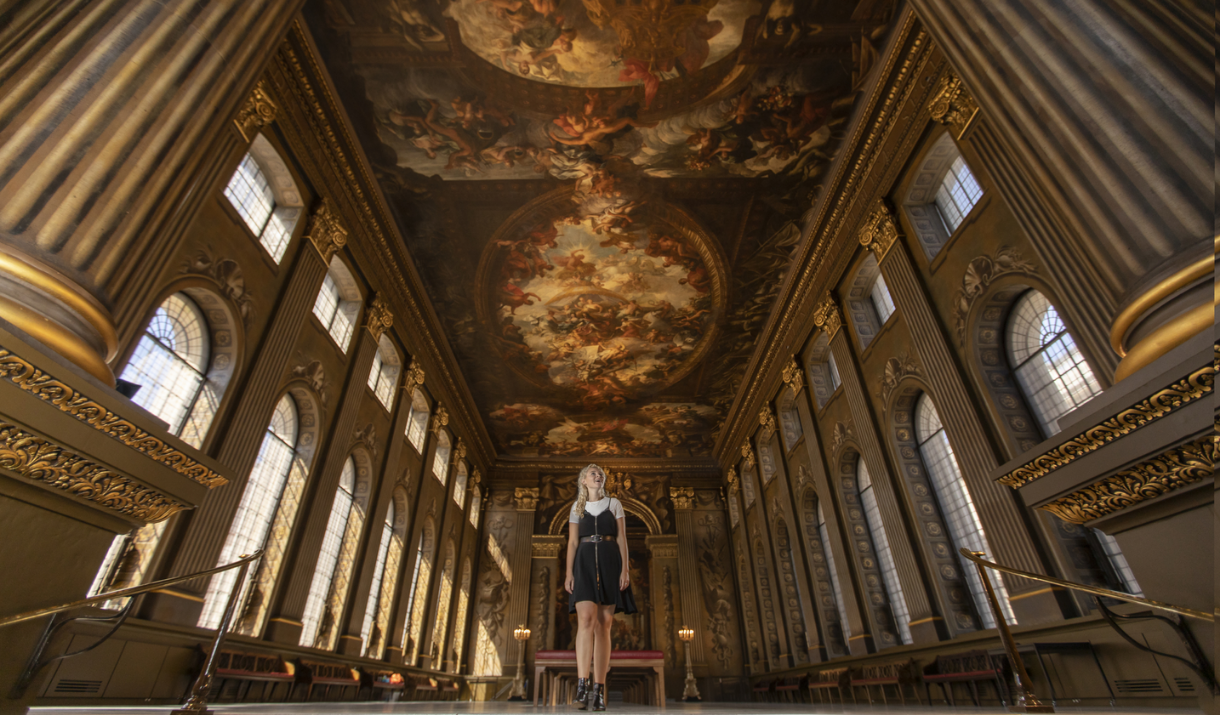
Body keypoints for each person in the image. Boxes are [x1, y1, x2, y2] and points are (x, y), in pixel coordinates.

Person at [565, 463, 636, 711]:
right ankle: (582, 689)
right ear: (584, 480)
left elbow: (621, 538)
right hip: (583, 563)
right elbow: (573, 542)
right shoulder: (577, 507)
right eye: (593, 474)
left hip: (609, 561)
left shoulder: (614, 504)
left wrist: (624, 569)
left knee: (604, 624)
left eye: (601, 474)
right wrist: (568, 572)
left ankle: (599, 691)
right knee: (585, 620)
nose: (598, 476)